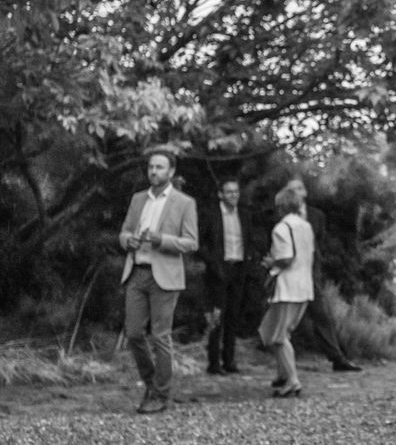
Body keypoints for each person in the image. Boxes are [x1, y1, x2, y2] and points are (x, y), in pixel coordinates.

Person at [118, 149, 198, 414]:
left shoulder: (184, 202)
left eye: (160, 167)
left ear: (171, 172)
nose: (154, 171)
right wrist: (126, 240)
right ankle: (153, 385)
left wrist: (161, 239)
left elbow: (191, 242)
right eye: (151, 167)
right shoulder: (137, 199)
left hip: (164, 275)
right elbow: (125, 231)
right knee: (133, 333)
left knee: (160, 336)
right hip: (137, 271)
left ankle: (161, 395)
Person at [283, 177, 362, 373]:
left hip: (310, 275)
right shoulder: (280, 218)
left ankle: (337, 358)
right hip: (288, 275)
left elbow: (318, 246)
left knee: (322, 316)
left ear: (305, 192)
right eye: (292, 190)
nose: (297, 193)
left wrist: (316, 270)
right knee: (284, 320)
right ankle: (283, 364)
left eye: (300, 188)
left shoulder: (316, 216)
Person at [198, 178, 261, 375]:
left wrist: (250, 260)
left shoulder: (244, 215)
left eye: (236, 192)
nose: (233, 195)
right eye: (229, 192)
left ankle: (230, 360)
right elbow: (200, 242)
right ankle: (214, 363)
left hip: (239, 268)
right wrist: (212, 262)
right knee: (218, 316)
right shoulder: (211, 215)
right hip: (219, 269)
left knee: (233, 315)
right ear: (220, 194)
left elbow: (250, 240)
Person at [258, 187, 315, 397]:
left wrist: (270, 262)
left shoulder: (281, 228)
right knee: (275, 332)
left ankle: (292, 380)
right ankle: (283, 373)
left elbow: (286, 257)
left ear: (280, 206)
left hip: (287, 287)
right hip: (304, 286)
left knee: (277, 336)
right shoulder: (306, 226)